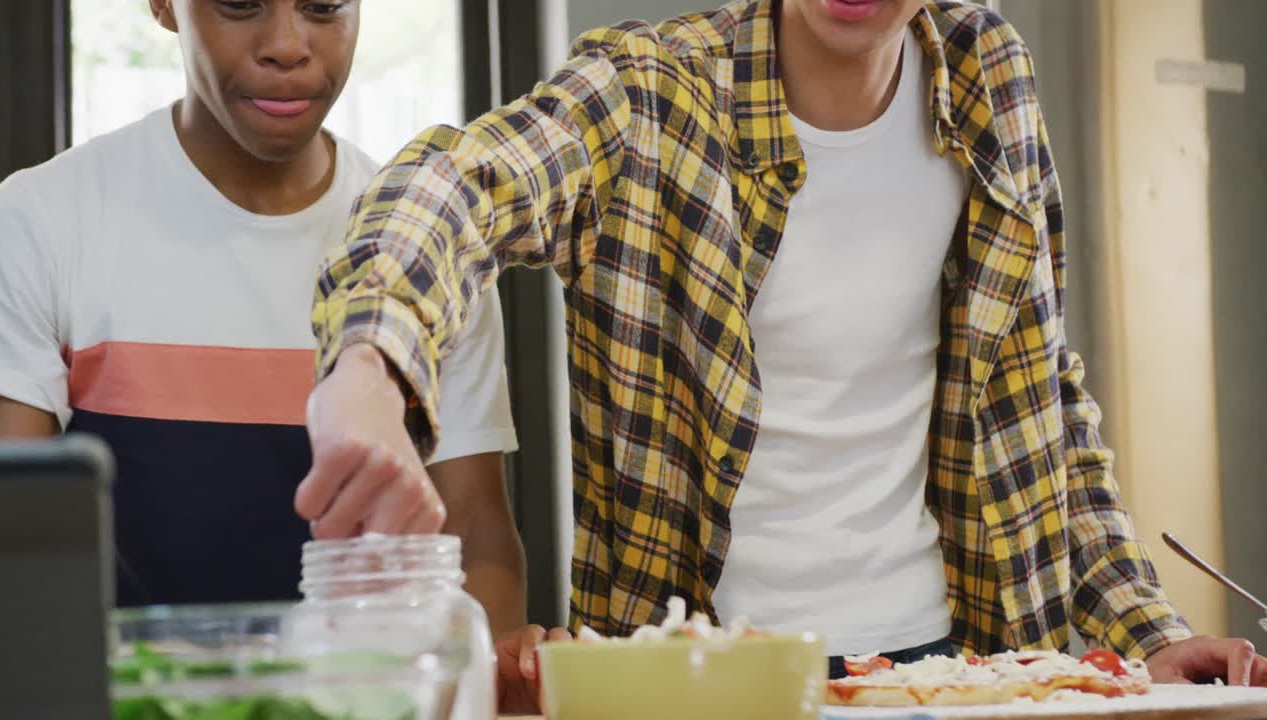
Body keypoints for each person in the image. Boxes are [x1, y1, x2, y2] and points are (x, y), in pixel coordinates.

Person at [297, 0, 1267, 710]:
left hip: (957, 673)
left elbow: (1038, 408)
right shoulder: (650, 94)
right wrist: (368, 370)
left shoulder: (987, 78)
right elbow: (448, 187)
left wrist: (1142, 634)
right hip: (700, 682)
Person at [0, 0, 523, 634]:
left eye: (323, 6)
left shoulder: (428, 247)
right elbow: (11, 552)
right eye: (241, 5)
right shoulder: (41, 220)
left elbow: (476, 534)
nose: (287, 45)